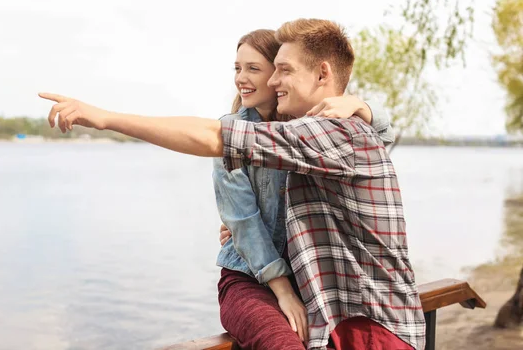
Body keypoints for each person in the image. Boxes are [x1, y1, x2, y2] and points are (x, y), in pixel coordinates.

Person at [39, 18, 426, 350]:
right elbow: (241, 216)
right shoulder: (309, 134)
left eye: (279, 70)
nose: (267, 80)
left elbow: (216, 137)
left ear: (321, 73)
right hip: (301, 296)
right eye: (241, 68)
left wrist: (105, 118)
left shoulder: (330, 133)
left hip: (371, 321)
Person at [213, 29, 395, 349]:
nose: (242, 78)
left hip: (310, 278)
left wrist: (358, 104)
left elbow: (379, 139)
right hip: (249, 279)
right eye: (237, 68)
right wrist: (282, 292)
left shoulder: (313, 131)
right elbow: (243, 222)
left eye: (254, 69)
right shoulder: (231, 132)